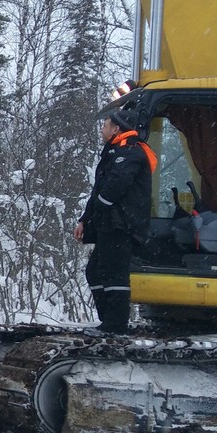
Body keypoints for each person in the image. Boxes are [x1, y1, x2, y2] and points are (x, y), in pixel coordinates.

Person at [75, 105, 157, 334]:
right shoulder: (115, 152)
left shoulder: (130, 152)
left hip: (122, 225)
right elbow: (100, 189)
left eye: (105, 125)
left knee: (114, 273)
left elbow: (115, 186)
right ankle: (108, 322)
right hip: (109, 224)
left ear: (116, 128)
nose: (102, 129)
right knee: (96, 271)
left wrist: (102, 204)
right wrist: (86, 219)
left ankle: (115, 325)